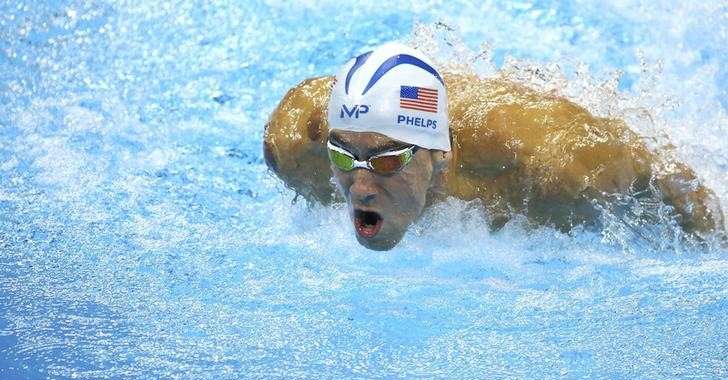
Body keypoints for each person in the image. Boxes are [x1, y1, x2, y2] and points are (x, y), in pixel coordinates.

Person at [263, 43, 724, 250]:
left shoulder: (561, 164)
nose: (360, 188)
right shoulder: (294, 151)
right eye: (345, 157)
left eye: (386, 162)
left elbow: (665, 176)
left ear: (438, 153)